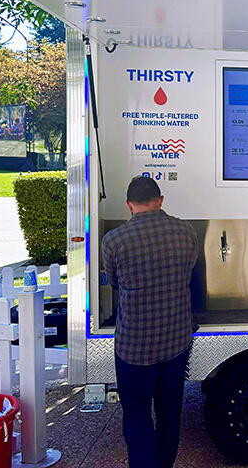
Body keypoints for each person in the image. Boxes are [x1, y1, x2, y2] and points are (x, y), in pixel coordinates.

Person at [99, 176, 201, 468]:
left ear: (129, 205)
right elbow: (189, 272)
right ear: (160, 201)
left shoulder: (113, 240)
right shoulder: (186, 231)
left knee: (136, 416)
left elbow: (116, 283)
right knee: (170, 414)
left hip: (134, 348)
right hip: (176, 342)